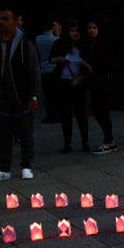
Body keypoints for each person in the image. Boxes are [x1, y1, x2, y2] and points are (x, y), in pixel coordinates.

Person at [0, 5, 42, 181]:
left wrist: (34, 95)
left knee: (25, 134)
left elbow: (34, 70)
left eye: (6, 18)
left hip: (21, 96)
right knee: (3, 135)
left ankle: (26, 166)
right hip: (0, 96)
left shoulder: (24, 43)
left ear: (15, 21)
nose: (1, 22)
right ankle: (3, 169)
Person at [49, 20, 90, 153]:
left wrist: (81, 75)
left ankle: (85, 141)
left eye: (77, 31)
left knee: (81, 114)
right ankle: (68, 143)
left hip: (79, 82)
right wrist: (59, 60)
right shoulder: (60, 44)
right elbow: (51, 59)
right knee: (66, 114)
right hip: (64, 81)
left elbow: (89, 65)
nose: (74, 33)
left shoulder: (84, 46)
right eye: (72, 31)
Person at [84, 19, 118, 154]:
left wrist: (90, 68)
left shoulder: (103, 45)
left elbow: (108, 64)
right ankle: (109, 139)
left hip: (102, 82)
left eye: (94, 27)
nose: (92, 30)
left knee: (102, 111)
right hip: (94, 82)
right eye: (89, 28)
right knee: (98, 111)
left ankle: (109, 140)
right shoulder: (88, 45)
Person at [35, 18, 61, 122]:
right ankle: (57, 114)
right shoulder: (55, 39)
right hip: (54, 68)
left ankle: (50, 114)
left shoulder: (38, 38)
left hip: (43, 68)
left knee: (47, 95)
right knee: (56, 94)